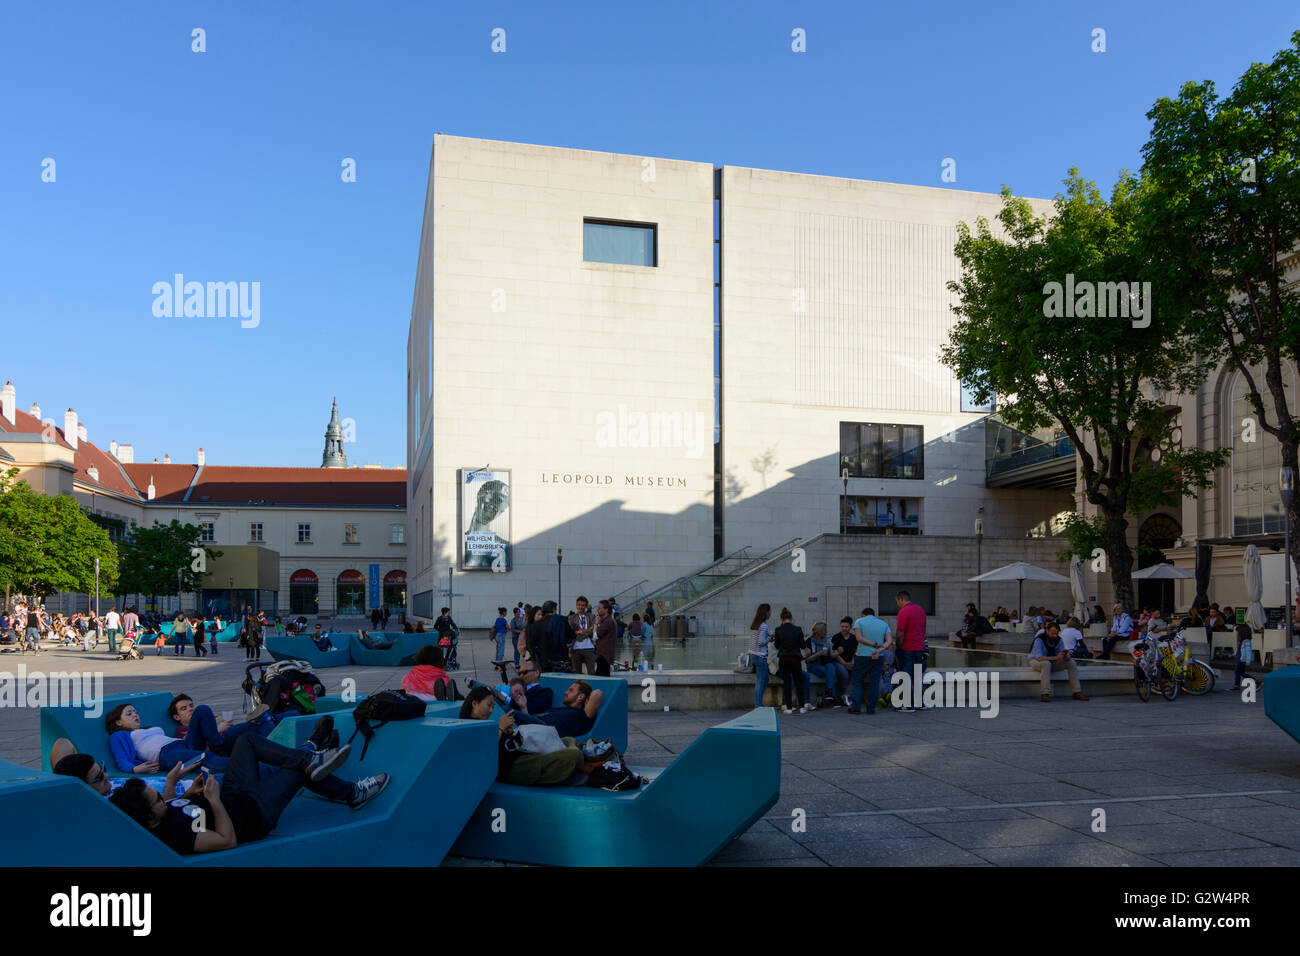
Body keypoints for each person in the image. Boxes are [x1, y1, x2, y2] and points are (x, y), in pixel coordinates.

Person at [109, 730, 389, 853]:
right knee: (297, 773)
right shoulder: (174, 835)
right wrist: (214, 801)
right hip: (254, 813)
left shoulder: (158, 814)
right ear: (148, 818)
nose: (161, 799)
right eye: (156, 800)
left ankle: (309, 760)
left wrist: (175, 786)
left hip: (234, 792)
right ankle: (353, 794)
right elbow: (226, 840)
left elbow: (171, 805)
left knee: (246, 741)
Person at [459, 687, 601, 787]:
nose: (491, 710)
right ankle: (565, 774)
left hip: (521, 752)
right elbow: (483, 753)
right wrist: (501, 728)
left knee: (570, 741)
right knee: (573, 754)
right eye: (488, 705)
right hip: (512, 767)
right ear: (474, 703)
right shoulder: (470, 726)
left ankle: (567, 771)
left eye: (492, 706)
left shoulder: (486, 723)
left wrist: (507, 732)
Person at [106, 703, 230, 774]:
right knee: (203, 757)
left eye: (135, 712)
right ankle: (238, 766)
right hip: (166, 755)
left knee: (202, 709)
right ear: (118, 722)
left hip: (182, 744)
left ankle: (218, 748)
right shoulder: (119, 736)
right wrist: (134, 769)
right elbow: (121, 759)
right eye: (129, 713)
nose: (135, 714)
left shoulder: (145, 729)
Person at [168, 694, 285, 756]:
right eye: (184, 709)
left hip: (232, 742)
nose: (190, 709)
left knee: (268, 722)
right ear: (176, 717)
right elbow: (196, 745)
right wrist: (217, 729)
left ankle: (268, 720)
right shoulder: (181, 730)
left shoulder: (207, 719)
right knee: (255, 723)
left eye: (191, 706)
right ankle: (262, 720)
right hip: (219, 746)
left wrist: (218, 723)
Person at [511, 680, 604, 737]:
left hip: (544, 731)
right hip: (533, 727)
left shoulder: (581, 715)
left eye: (570, 690)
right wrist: (523, 707)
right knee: (502, 707)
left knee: (506, 711)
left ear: (581, 697)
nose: (565, 692)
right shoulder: (561, 709)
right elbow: (531, 721)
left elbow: (597, 693)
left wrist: (587, 700)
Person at [1028, 622, 1089, 702]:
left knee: (1072, 663)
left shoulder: (1059, 640)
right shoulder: (1039, 639)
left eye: (1056, 633)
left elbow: (1062, 653)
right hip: (1036, 661)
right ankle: (1045, 693)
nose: (1055, 636)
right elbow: (1039, 658)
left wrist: (1066, 657)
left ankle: (1076, 692)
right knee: (1046, 664)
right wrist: (1056, 657)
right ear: (1047, 630)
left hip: (1052, 662)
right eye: (1053, 633)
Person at [848, 607, 892, 715]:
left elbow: (858, 638)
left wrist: (873, 644)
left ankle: (856, 707)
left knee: (857, 681)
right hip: (878, 657)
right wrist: (880, 649)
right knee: (875, 682)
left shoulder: (859, 621)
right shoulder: (883, 624)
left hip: (862, 656)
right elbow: (889, 641)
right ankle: (871, 708)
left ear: (863, 614)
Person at [893, 590, 927, 712]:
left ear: (901, 599)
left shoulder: (903, 611)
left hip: (907, 648)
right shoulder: (921, 610)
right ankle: (920, 703)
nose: (897, 604)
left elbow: (900, 633)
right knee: (917, 677)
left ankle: (907, 705)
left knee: (906, 676)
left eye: (897, 601)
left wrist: (898, 647)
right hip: (919, 648)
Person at [772, 608, 809, 714]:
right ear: (791, 618)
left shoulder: (778, 629)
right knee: (799, 682)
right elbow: (802, 645)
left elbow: (777, 645)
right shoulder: (798, 629)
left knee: (787, 683)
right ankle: (802, 707)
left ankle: (789, 708)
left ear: (781, 619)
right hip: (795, 658)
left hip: (783, 658)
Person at [803, 621, 846, 706]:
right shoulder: (809, 641)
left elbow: (832, 655)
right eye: (825, 630)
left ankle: (829, 692)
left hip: (825, 663)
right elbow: (807, 660)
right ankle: (832, 697)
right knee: (830, 673)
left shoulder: (827, 640)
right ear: (819, 632)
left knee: (831, 667)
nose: (826, 632)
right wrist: (819, 653)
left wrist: (838, 652)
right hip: (813, 664)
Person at [829, 617, 858, 706]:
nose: (844, 628)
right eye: (842, 626)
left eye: (846, 627)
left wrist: (852, 662)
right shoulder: (836, 637)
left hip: (851, 661)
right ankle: (846, 697)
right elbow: (834, 653)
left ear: (850, 627)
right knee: (844, 673)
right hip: (838, 661)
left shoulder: (854, 638)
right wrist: (845, 664)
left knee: (856, 672)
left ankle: (846, 695)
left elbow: (856, 651)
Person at [749, 604, 773, 708]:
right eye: (769, 611)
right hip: (760, 656)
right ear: (766, 613)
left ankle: (758, 704)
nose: (770, 613)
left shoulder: (756, 624)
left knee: (765, 679)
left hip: (754, 655)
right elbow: (761, 642)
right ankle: (758, 705)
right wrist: (771, 638)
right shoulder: (763, 626)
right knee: (760, 681)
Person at [568, 596, 597, 674]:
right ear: (576, 605)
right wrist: (587, 631)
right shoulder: (571, 618)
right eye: (579, 605)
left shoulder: (591, 616)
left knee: (592, 673)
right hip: (576, 647)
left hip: (589, 647)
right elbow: (572, 632)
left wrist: (582, 632)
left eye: (583, 605)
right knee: (576, 673)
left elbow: (593, 630)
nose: (580, 607)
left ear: (586, 606)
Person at [593, 599, 616, 676]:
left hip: (603, 656)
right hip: (604, 656)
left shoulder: (607, 622)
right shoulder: (608, 621)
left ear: (606, 610)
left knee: (601, 678)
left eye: (600, 608)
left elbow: (595, 636)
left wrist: (595, 624)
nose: (597, 610)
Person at [1232, 623, 1254, 691]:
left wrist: (1248, 661)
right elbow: (1239, 651)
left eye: (1238, 633)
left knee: (1238, 672)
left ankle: (1237, 685)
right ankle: (1256, 681)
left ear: (1242, 633)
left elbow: (1248, 652)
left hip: (1242, 660)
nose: (1237, 635)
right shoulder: (1242, 641)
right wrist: (1233, 654)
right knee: (1241, 673)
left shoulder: (1246, 641)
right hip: (1240, 659)